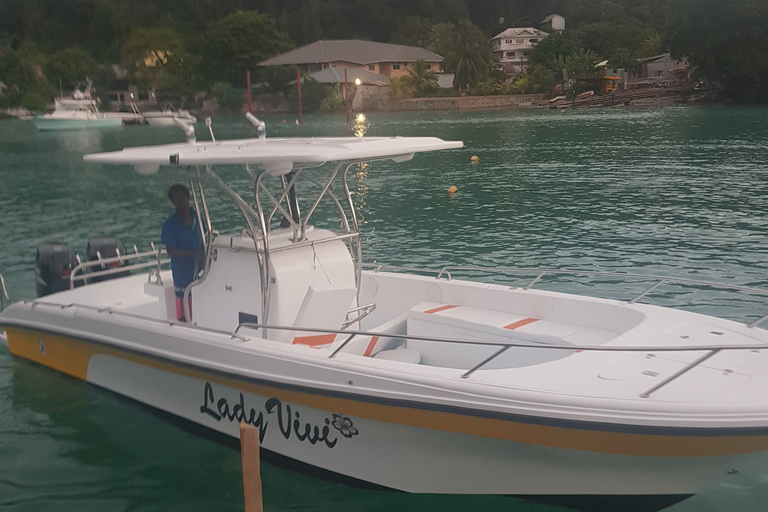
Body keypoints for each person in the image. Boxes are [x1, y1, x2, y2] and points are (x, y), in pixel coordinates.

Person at [161, 184, 205, 321]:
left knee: (201, 303)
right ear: (173, 202)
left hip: (200, 270)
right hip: (182, 274)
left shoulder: (197, 217)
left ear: (188, 197)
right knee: (185, 312)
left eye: (182, 197)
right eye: (176, 199)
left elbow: (204, 237)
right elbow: (171, 251)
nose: (180, 201)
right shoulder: (170, 224)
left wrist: (203, 254)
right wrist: (194, 253)